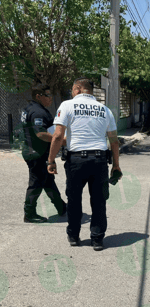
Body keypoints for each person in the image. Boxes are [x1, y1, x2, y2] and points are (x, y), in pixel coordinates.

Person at [47, 77, 121, 251]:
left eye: (73, 89)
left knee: (74, 200)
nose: (72, 93)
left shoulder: (67, 105)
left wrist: (50, 160)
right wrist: (116, 165)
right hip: (100, 161)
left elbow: (57, 136)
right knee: (99, 201)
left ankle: (73, 236)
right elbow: (114, 141)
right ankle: (97, 240)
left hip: (76, 161)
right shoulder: (105, 110)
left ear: (78, 88)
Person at [21, 84, 67, 223]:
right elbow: (41, 133)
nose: (51, 98)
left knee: (47, 181)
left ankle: (61, 207)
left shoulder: (30, 108)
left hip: (33, 149)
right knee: (36, 183)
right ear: (38, 96)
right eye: (47, 95)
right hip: (37, 152)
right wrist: (60, 141)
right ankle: (29, 213)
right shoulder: (38, 112)